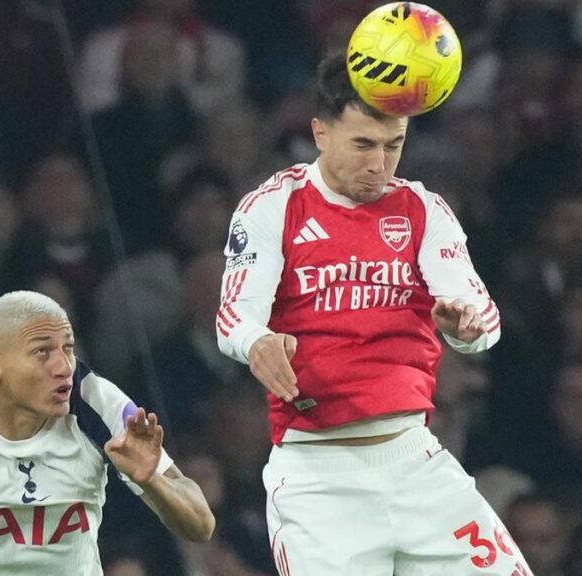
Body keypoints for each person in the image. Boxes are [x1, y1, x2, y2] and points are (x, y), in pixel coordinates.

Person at [216, 52, 530, 574]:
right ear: (320, 133)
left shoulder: (422, 209)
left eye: (393, 145)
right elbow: (234, 314)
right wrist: (257, 342)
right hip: (319, 479)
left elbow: (483, 320)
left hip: (417, 464)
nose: (379, 164)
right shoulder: (273, 206)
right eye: (363, 144)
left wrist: (465, 327)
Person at [0, 290, 215, 576]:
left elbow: (201, 526)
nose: (64, 367)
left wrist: (152, 481)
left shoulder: (95, 401)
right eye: (42, 351)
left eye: (67, 348)